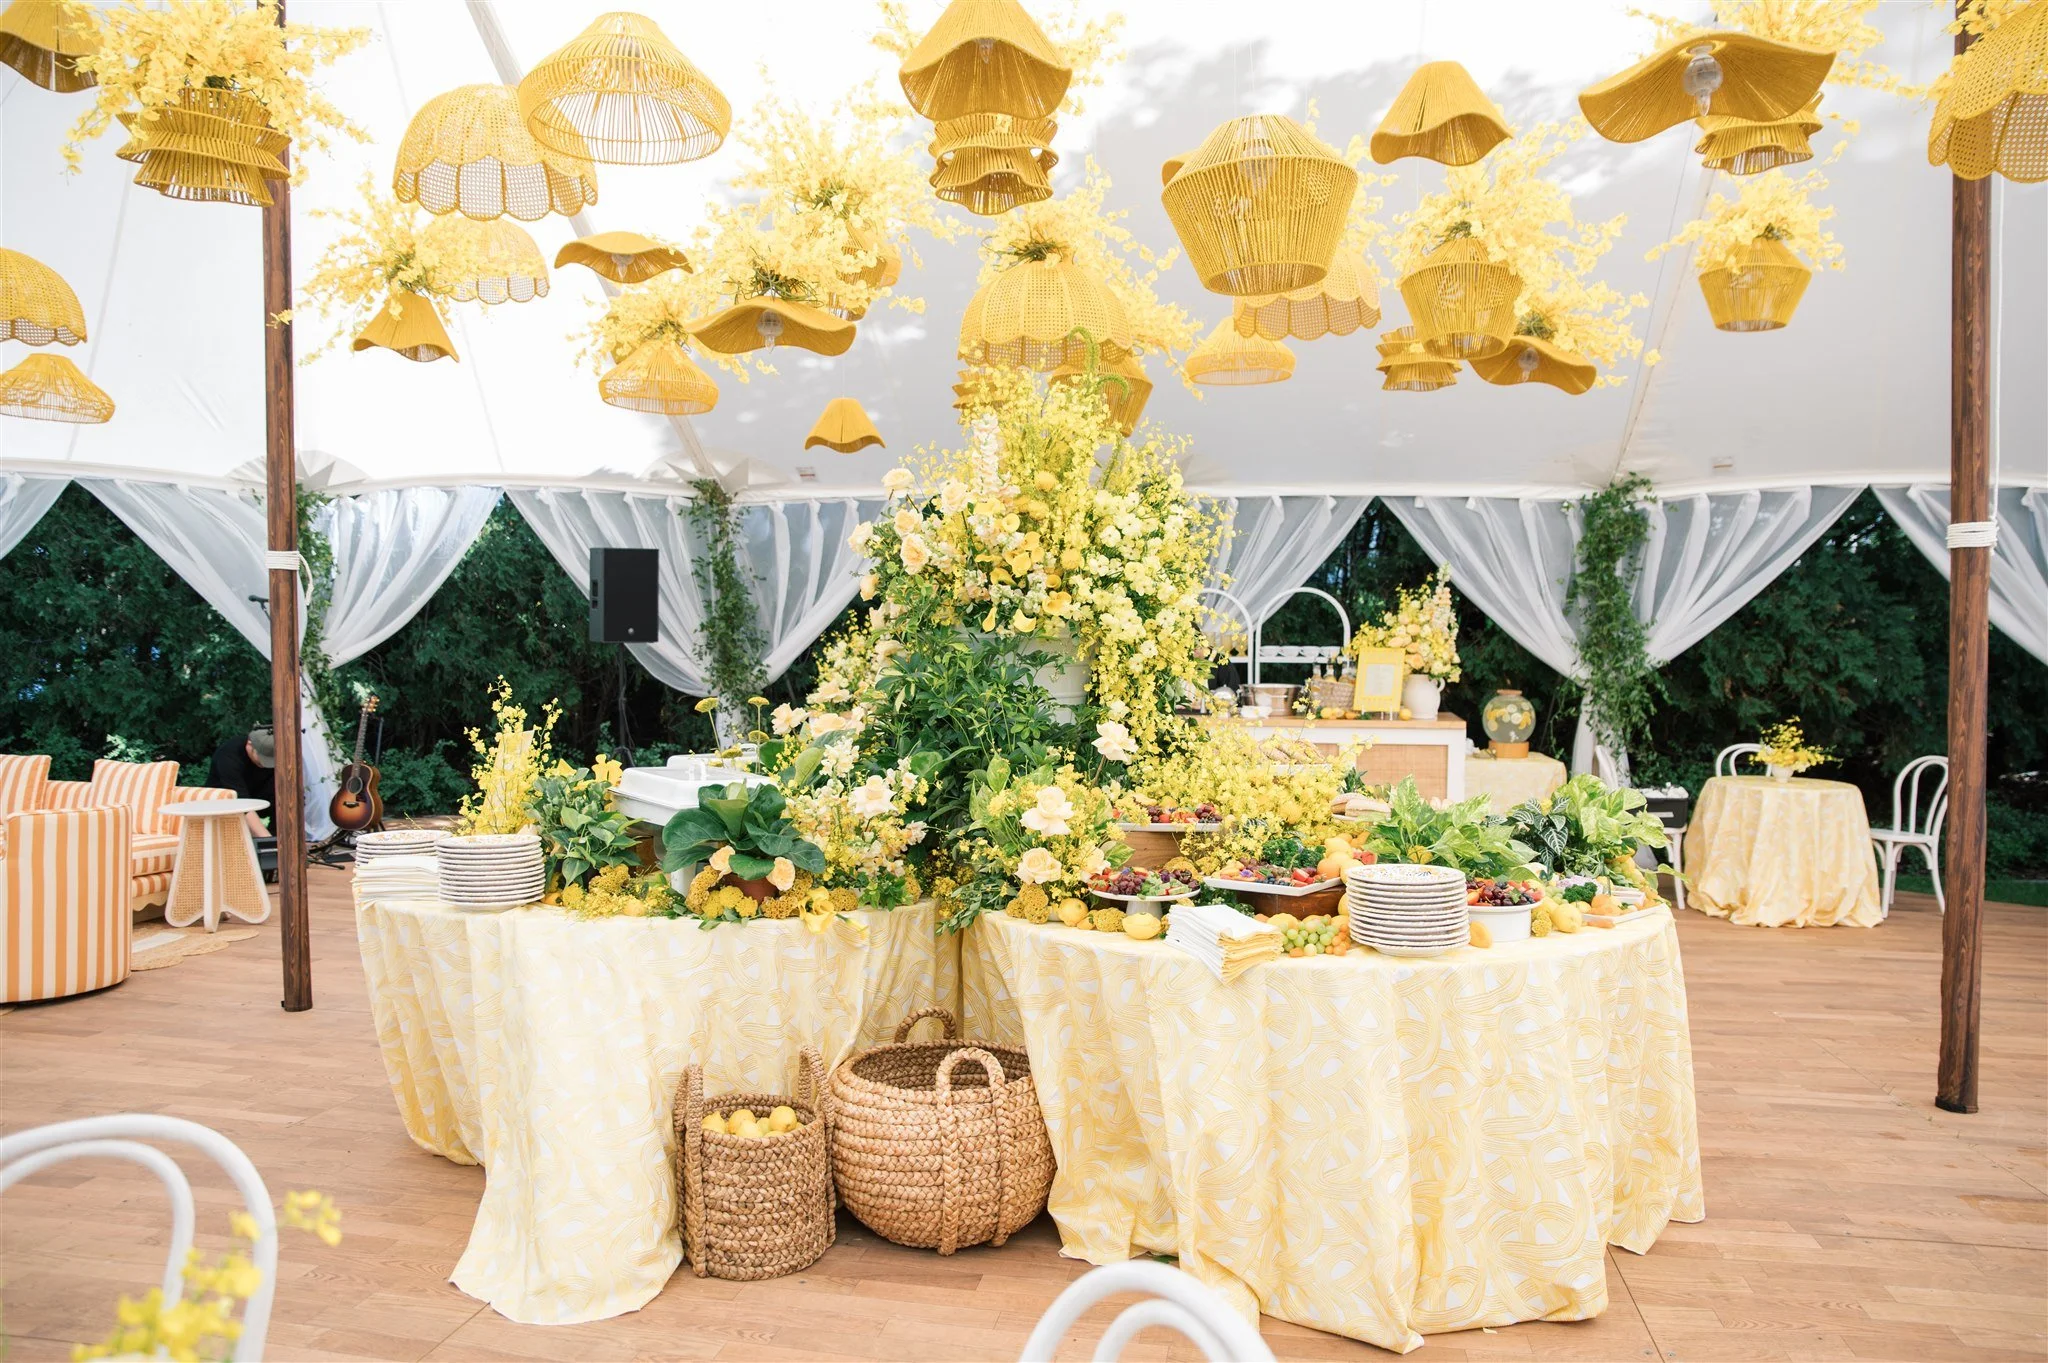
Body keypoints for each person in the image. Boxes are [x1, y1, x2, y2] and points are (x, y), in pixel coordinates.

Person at [208, 726, 276, 837]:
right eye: (263, 759)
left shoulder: (273, 751)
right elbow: (240, 802)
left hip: (258, 795)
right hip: (226, 803)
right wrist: (267, 841)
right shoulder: (228, 755)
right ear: (249, 744)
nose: (265, 765)